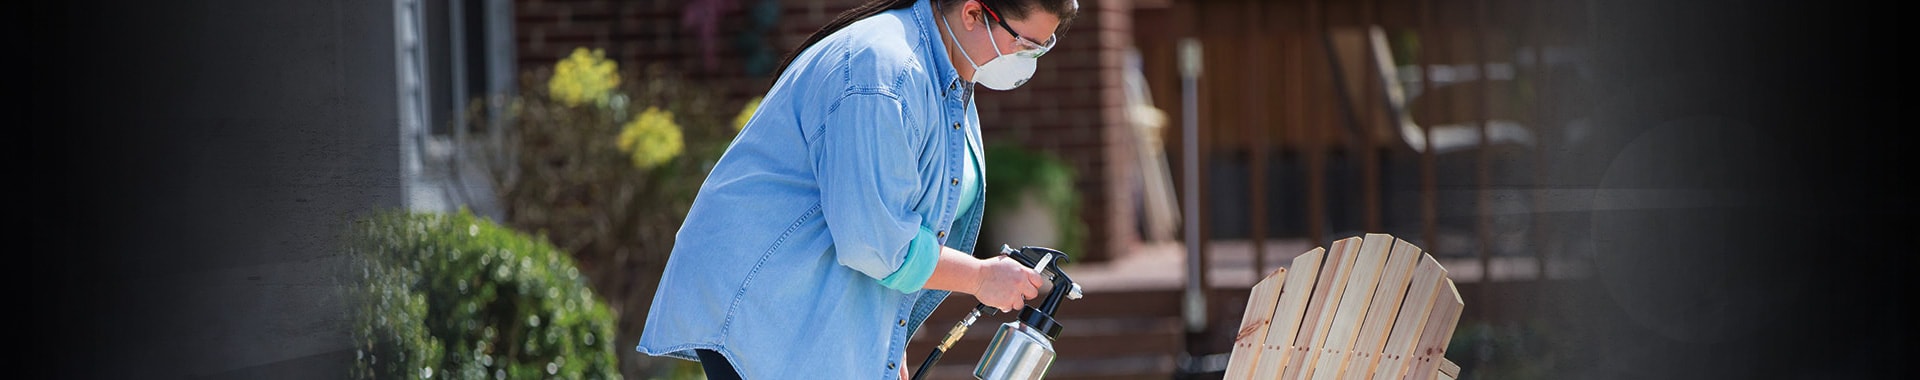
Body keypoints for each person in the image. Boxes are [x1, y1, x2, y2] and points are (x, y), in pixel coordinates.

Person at [635, 0, 1079, 379]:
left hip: (819, 314)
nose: (1030, 60)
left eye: (1043, 47)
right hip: (773, 314)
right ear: (972, 13)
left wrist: (884, 338)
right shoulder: (883, 70)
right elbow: (876, 242)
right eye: (1026, 44)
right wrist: (981, 278)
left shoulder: (948, 73)